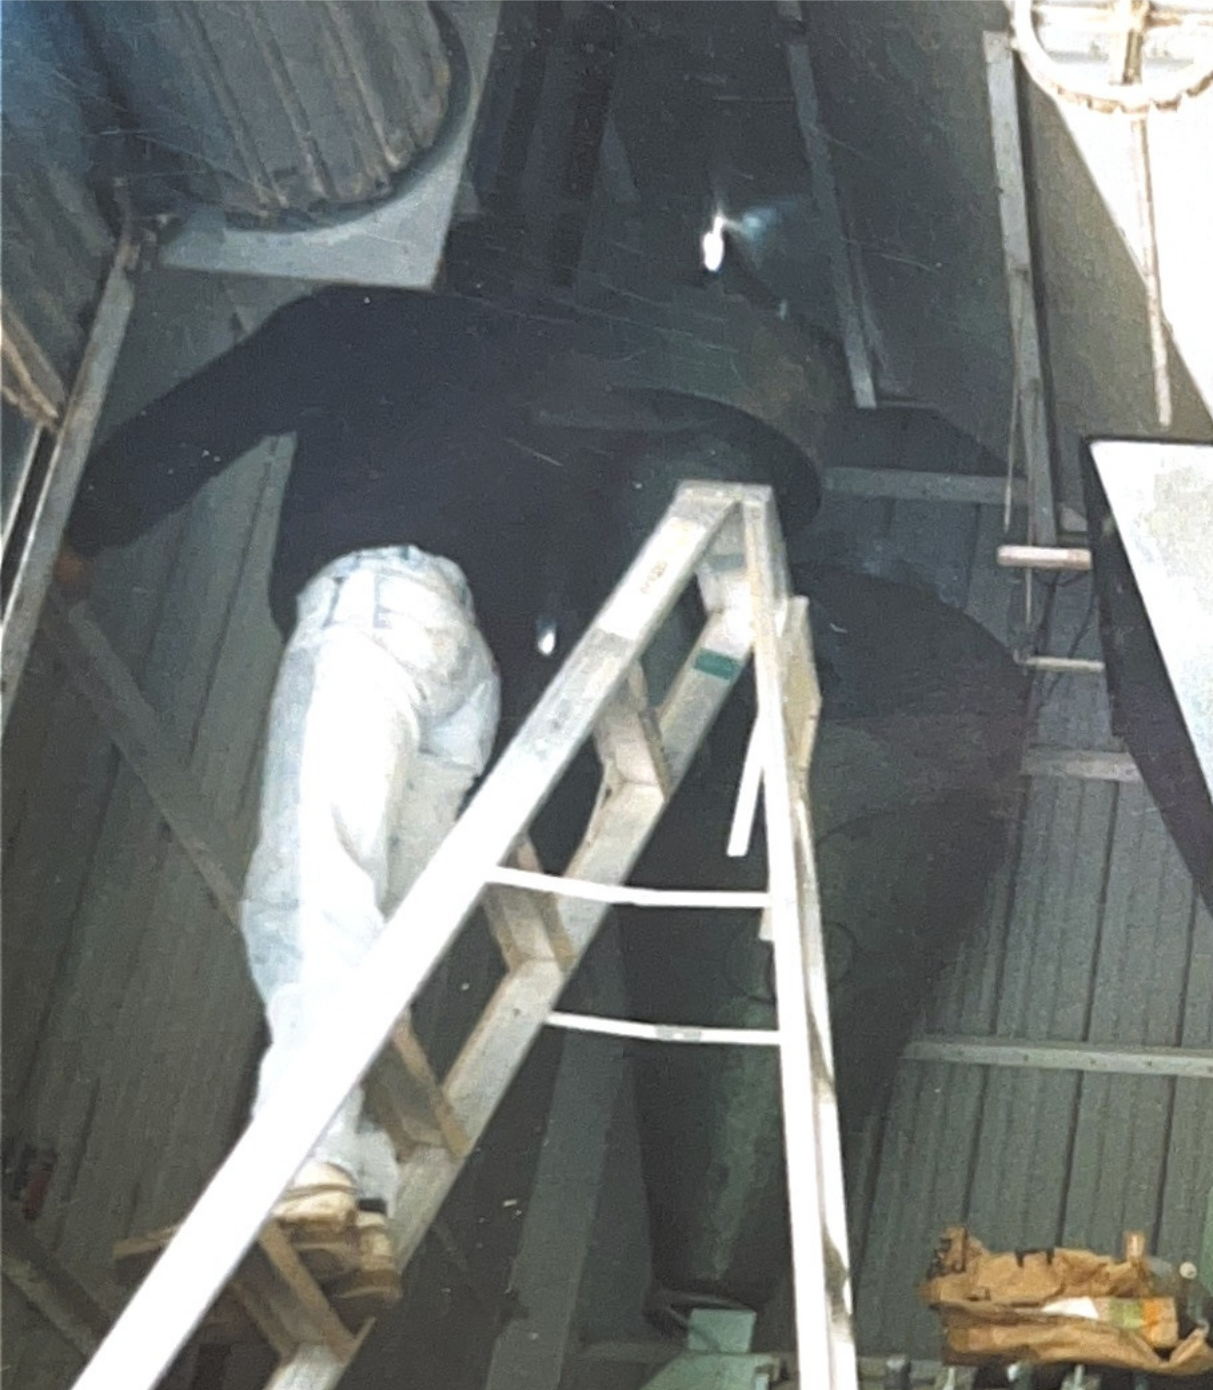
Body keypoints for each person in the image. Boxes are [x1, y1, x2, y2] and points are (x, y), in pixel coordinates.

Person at [61, 276, 791, 1320]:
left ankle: (302, 1170)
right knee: (385, 929)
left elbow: (213, 415)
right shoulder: (552, 365)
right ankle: (355, 1196)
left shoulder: (366, 317)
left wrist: (88, 520)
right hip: (473, 674)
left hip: (378, 600)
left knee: (315, 876)